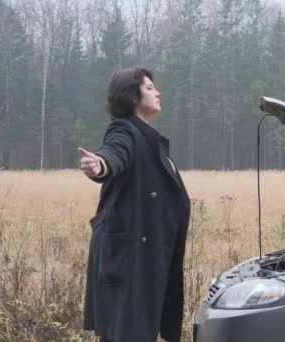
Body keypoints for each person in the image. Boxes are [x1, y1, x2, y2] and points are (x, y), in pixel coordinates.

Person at [78, 67, 190, 342]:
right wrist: (99, 165)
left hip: (143, 257)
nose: (157, 92)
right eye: (150, 88)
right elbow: (114, 153)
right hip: (129, 260)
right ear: (132, 95)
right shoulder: (124, 131)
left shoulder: (149, 139)